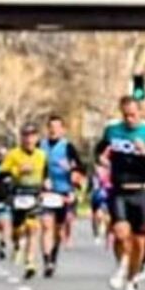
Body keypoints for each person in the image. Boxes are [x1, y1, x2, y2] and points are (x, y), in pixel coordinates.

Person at [97, 97, 145, 290]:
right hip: (119, 190)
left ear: (140, 113)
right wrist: (101, 159)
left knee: (139, 241)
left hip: (141, 191)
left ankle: (131, 281)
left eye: (133, 114)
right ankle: (123, 264)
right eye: (125, 115)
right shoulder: (112, 131)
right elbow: (99, 152)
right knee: (120, 232)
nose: (129, 119)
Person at [0, 124, 50, 280]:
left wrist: (47, 182)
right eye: (26, 136)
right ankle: (16, 242)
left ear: (36, 138)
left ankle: (30, 263)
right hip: (18, 194)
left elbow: (46, 173)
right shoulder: (13, 155)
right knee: (18, 229)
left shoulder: (42, 155)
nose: (29, 140)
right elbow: (2, 175)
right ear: (21, 138)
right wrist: (17, 171)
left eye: (32, 136)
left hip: (34, 193)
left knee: (33, 228)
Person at [40, 114, 86, 278]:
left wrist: (71, 171)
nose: (53, 130)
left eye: (57, 127)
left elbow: (80, 169)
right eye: (51, 127)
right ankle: (47, 261)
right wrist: (42, 179)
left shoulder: (68, 147)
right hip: (46, 191)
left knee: (58, 230)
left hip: (63, 192)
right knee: (46, 226)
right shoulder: (41, 146)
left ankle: (53, 256)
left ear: (62, 129)